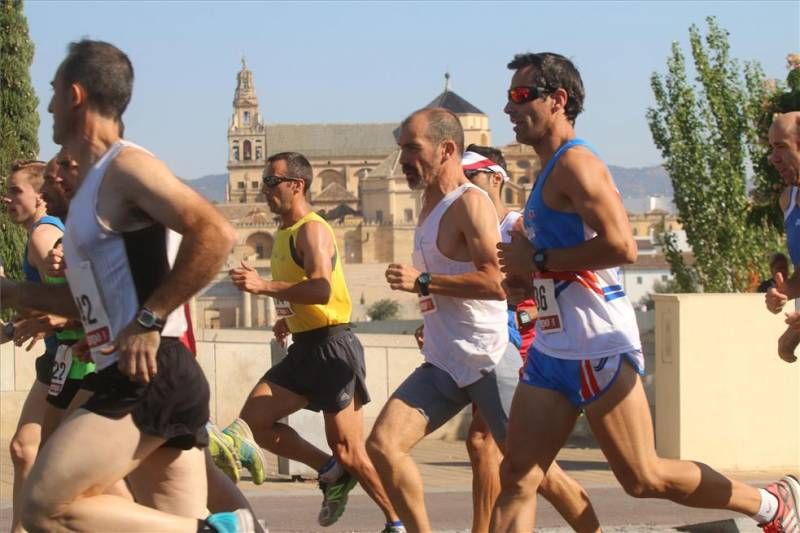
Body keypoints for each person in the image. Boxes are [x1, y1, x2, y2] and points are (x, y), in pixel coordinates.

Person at [491, 51, 799, 532]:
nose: (509, 109)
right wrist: (525, 274)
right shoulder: (548, 171)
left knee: (643, 476)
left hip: (597, 347)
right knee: (516, 475)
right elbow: (559, 264)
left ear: (557, 100)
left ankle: (769, 505)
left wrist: (538, 261)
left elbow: (623, 246)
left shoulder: (577, 164)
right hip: (553, 349)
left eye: (519, 96)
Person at [0, 39, 252, 532]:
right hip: (149, 375)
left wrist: (149, 317)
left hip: (148, 374)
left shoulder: (125, 166)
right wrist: (13, 292)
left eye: (52, 92)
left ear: (74, 95)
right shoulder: (96, 183)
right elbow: (88, 300)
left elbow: (216, 232)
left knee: (43, 507)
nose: (47, 104)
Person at [366, 108, 599, 533]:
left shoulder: (468, 203)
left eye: (412, 149)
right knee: (382, 445)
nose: (403, 159)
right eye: (401, 149)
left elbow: (496, 282)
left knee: (538, 473)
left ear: (447, 149)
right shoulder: (427, 203)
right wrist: (432, 307)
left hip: (487, 359)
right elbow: (450, 280)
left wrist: (423, 281)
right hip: (443, 361)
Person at [212, 151, 404, 532]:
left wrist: (263, 286)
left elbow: (320, 288)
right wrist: (287, 318)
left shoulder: (312, 229)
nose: (264, 190)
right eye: (264, 182)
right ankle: (329, 471)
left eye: (271, 182)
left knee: (350, 450)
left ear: (296, 185)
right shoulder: (283, 233)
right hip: (304, 346)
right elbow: (301, 291)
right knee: (254, 423)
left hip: (334, 349)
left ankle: (397, 522)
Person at [2, 159, 69, 533]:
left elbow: (68, 300)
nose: (7, 199)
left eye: (16, 191)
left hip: (75, 360)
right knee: (25, 450)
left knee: (55, 465)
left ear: (40, 196)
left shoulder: (44, 237)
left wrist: (42, 321)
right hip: (57, 359)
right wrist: (16, 327)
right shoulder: (40, 233)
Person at [766, 111, 800, 364]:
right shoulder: (788, 200)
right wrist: (786, 289)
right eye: (771, 148)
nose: (773, 159)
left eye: (781, 147)